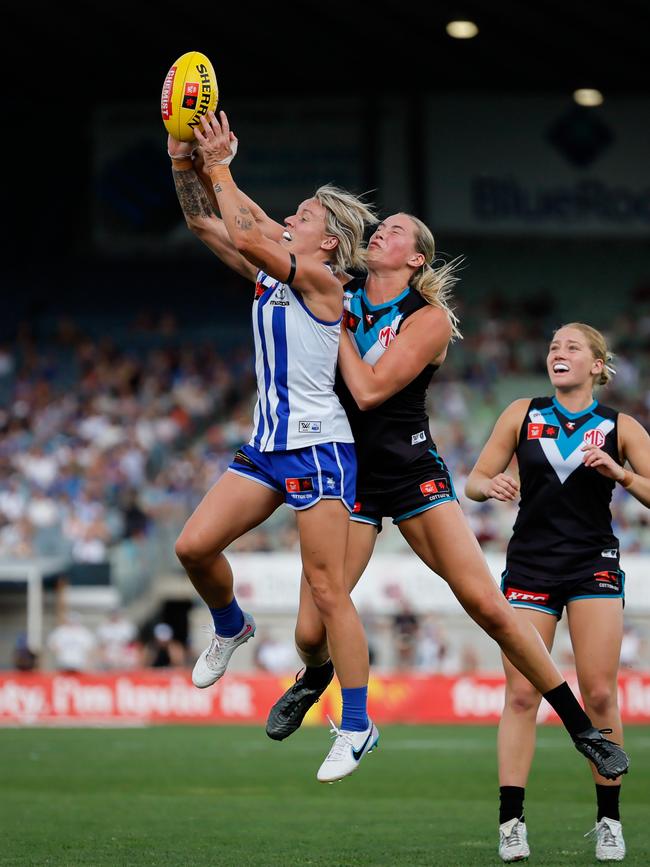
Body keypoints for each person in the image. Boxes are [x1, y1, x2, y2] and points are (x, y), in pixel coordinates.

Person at [264, 218, 629, 788]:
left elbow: (367, 390)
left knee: (487, 604)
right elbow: (261, 243)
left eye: (397, 231)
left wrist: (328, 321)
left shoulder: (427, 319)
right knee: (311, 630)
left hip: (412, 476)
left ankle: (581, 727)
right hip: (350, 473)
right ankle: (315, 677)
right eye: (380, 227)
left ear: (417, 260)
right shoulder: (338, 289)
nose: (381, 232)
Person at [168, 109, 379, 781]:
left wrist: (222, 164)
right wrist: (184, 163)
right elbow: (207, 222)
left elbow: (251, 235)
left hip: (319, 448)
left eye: (307, 216)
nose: (294, 217)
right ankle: (231, 624)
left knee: (326, 590)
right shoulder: (279, 272)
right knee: (192, 547)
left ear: (331, 243)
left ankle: (356, 723)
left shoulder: (324, 283)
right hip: (267, 446)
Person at [465, 322, 650, 862]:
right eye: (552, 347)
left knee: (598, 694)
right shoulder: (522, 412)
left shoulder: (622, 426)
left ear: (597, 365)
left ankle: (610, 822)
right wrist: (489, 485)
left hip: (593, 565)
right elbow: (475, 479)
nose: (557, 353)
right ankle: (511, 822)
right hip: (529, 565)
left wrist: (622, 474)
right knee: (522, 695)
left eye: (571, 347)